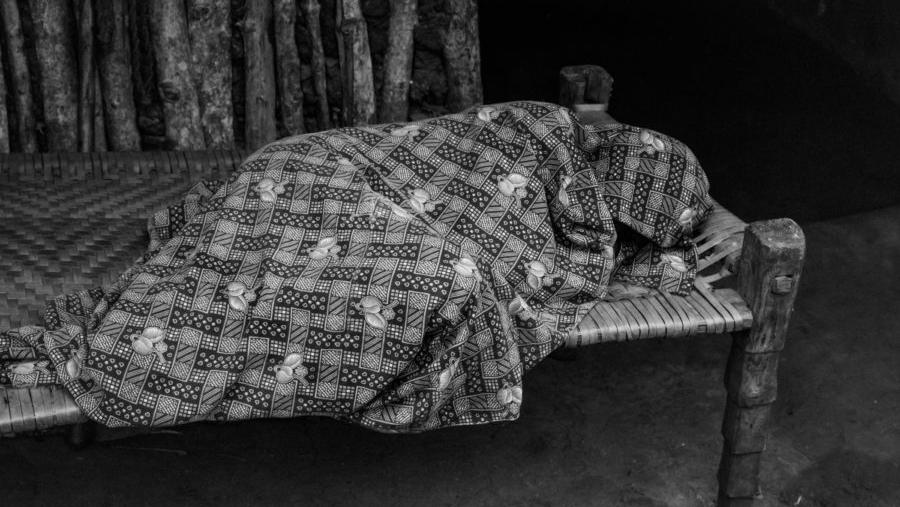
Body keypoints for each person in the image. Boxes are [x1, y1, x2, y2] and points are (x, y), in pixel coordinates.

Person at [0, 101, 711, 432]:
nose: (616, 242)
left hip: (356, 206)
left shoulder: (586, 226)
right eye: (625, 227)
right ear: (615, 173)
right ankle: (123, 345)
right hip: (316, 175)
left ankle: (126, 342)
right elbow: (429, 153)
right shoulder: (538, 131)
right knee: (443, 282)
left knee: (439, 281)